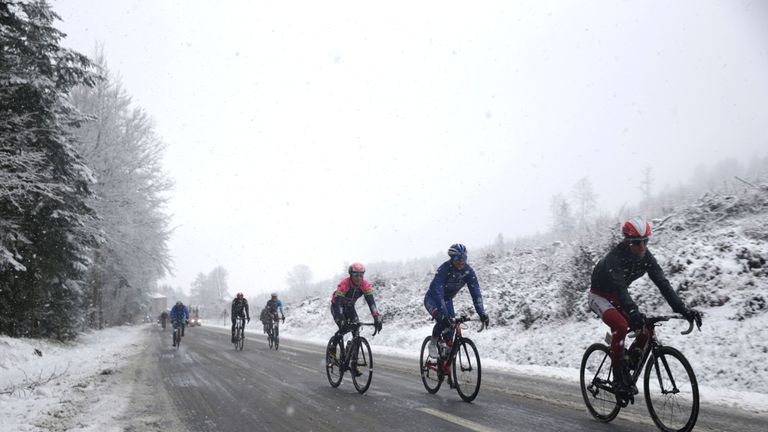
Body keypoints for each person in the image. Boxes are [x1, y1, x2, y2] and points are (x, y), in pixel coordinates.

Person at [588, 217, 703, 395]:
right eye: (637, 242)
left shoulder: (646, 257)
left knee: (646, 329)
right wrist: (633, 312)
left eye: (645, 241)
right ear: (627, 241)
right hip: (599, 296)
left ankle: (627, 361)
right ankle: (618, 378)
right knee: (620, 325)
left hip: (618, 297)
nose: (642, 246)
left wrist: (683, 309)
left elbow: (663, 283)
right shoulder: (614, 258)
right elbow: (620, 288)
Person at [424, 243, 489, 358]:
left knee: (451, 328)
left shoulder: (468, 272)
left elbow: (476, 293)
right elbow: (438, 292)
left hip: (447, 300)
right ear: (452, 258)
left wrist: (482, 313)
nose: (461, 261)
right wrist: (444, 314)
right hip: (433, 299)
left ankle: (446, 360)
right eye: (458, 258)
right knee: (442, 320)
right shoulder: (444, 269)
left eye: (464, 258)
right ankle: (433, 343)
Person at [331, 263, 383, 335]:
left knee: (356, 328)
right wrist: (340, 316)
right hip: (337, 306)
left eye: (361, 275)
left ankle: (354, 345)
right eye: (355, 275)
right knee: (343, 328)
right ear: (351, 275)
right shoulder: (345, 284)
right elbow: (338, 302)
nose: (358, 278)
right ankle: (333, 345)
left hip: (350, 307)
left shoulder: (365, 285)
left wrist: (376, 316)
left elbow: (371, 303)